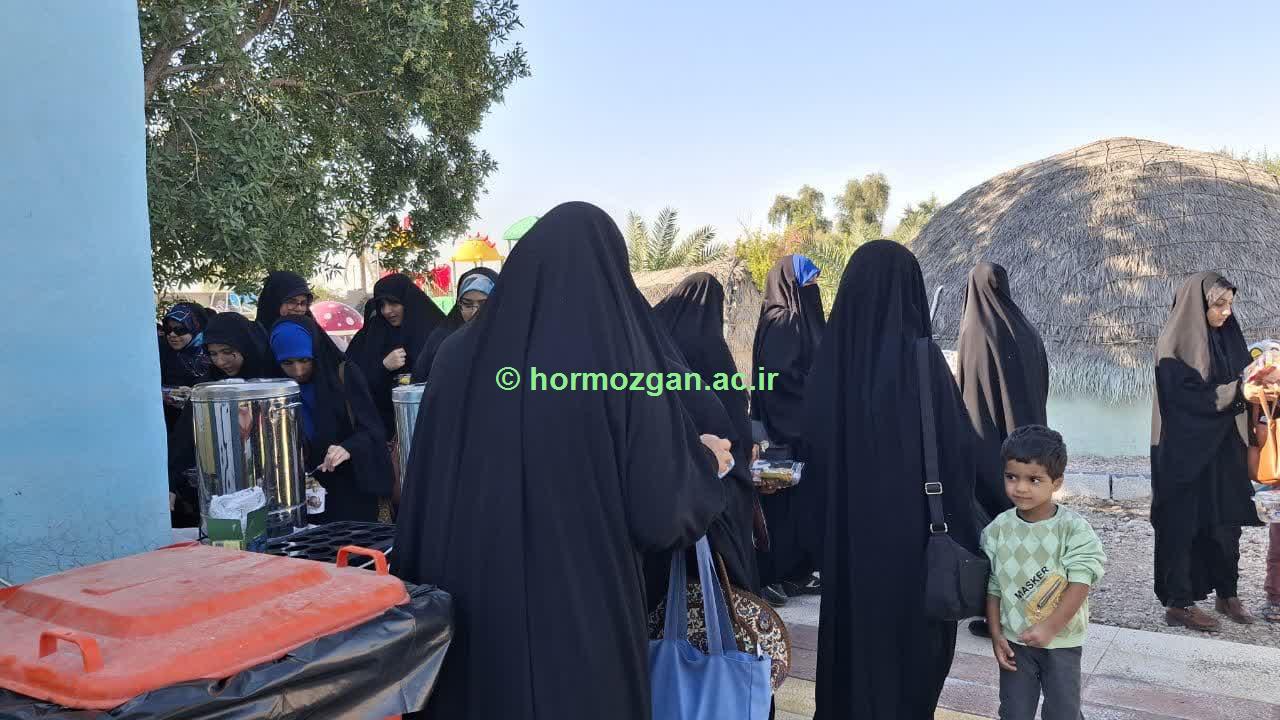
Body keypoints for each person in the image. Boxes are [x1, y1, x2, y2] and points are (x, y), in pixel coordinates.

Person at [391, 202, 732, 720]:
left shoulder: (457, 357)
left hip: (469, 622)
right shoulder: (622, 364)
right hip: (582, 626)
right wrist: (704, 462)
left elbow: (425, 491)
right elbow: (662, 513)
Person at [806, 240, 980, 719]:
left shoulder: (830, 366)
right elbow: (960, 451)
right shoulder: (923, 361)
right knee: (910, 660)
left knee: (852, 647)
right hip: (915, 546)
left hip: (849, 546)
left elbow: (811, 453)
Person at [1151, 272, 1263, 631]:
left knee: (1227, 522)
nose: (1226, 312)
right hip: (1183, 453)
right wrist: (1238, 391)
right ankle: (1179, 604)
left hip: (1224, 447)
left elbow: (1244, 381)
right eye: (1218, 304)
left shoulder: (1229, 337)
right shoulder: (1173, 343)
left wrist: (1261, 383)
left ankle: (1227, 593)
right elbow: (1184, 398)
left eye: (1230, 304)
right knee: (1183, 524)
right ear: (1197, 305)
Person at [983, 425, 1106, 720]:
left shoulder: (1073, 529)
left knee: (1062, 712)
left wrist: (1050, 627)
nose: (1020, 488)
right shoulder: (998, 529)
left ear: (1057, 482)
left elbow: (1081, 581)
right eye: (1012, 477)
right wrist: (996, 633)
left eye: (1034, 479)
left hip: (1062, 642)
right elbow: (994, 585)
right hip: (1015, 643)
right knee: (1014, 711)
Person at [956, 262, 1050, 639]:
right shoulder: (1026, 329)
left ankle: (1000, 613)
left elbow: (970, 400)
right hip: (1031, 447)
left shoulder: (975, 330)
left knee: (995, 529)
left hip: (991, 450)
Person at [653, 272, 759, 593]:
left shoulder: (657, 341)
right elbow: (733, 407)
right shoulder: (711, 345)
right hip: (718, 459)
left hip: (672, 475)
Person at [751, 253, 826, 604]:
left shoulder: (794, 318)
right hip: (785, 430)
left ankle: (798, 572)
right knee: (783, 503)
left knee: (802, 505)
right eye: (808, 282)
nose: (814, 289)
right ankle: (776, 575)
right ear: (791, 284)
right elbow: (778, 378)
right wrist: (817, 393)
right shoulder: (783, 320)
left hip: (802, 428)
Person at [270, 316, 393, 523]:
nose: (298, 371)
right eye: (287, 363)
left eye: (304, 360)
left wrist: (347, 448)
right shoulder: (274, 387)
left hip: (351, 491)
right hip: (300, 495)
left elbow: (373, 430)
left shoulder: (343, 374)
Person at [166, 312, 273, 527]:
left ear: (244, 346)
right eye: (213, 354)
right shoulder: (209, 387)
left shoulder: (270, 381)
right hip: (222, 492)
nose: (220, 361)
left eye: (227, 352)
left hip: (269, 486)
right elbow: (184, 438)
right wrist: (171, 483)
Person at [346, 272, 446, 436]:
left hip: (432, 424)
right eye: (381, 305)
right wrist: (382, 367)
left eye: (393, 303)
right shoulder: (372, 335)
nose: (387, 311)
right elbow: (353, 379)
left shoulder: (434, 333)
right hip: (384, 430)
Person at [411, 267, 498, 382]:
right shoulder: (442, 340)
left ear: (497, 304)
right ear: (459, 304)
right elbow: (421, 381)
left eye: (484, 304)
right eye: (467, 304)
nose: (475, 312)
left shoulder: (513, 340)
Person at [158, 302, 213, 432]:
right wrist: (167, 393)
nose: (172, 334)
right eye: (168, 329)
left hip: (204, 426)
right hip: (169, 426)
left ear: (195, 328)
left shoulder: (213, 353)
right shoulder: (161, 353)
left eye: (180, 329)